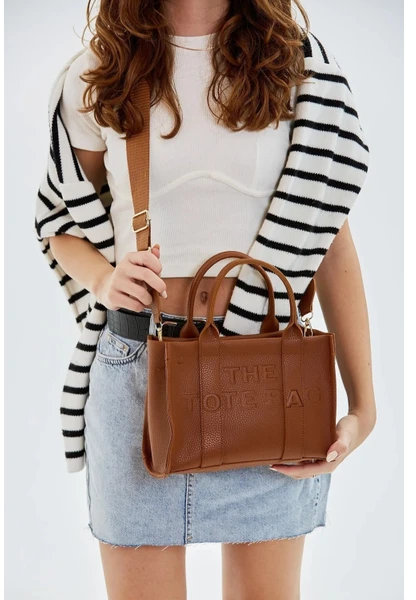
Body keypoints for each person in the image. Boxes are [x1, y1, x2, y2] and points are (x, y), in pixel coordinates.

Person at [36, 0, 376, 597]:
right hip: (138, 379)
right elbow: (61, 221)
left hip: (267, 376)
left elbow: (331, 242)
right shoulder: (100, 69)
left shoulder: (298, 67)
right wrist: (105, 280)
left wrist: (364, 406)